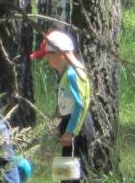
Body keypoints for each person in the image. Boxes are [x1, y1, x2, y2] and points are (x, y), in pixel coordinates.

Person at [30, 29, 94, 182]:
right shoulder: (70, 72)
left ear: (59, 54)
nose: (47, 60)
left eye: (47, 56)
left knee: (72, 174)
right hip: (72, 123)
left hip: (78, 127)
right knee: (66, 172)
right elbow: (69, 104)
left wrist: (70, 132)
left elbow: (80, 105)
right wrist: (60, 124)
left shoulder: (73, 74)